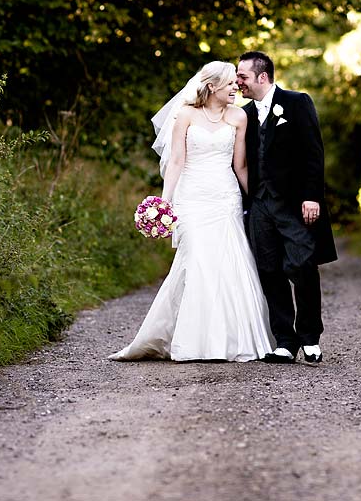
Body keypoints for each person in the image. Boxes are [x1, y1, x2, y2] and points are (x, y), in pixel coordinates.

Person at [109, 61, 274, 362]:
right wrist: (164, 203)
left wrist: (260, 201)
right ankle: (195, 342)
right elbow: (176, 162)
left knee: (229, 264)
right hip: (192, 199)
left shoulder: (238, 116)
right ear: (212, 86)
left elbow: (240, 165)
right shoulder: (185, 115)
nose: (236, 87)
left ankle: (229, 341)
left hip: (225, 199)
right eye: (230, 84)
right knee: (197, 261)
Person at [236, 51, 337, 364]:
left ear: (262, 77)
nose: (238, 82)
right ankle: (284, 340)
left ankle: (310, 338)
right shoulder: (243, 115)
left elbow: (313, 153)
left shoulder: (297, 103)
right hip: (260, 204)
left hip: (295, 204)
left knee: (303, 265)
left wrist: (312, 196)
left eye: (243, 77)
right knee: (269, 270)